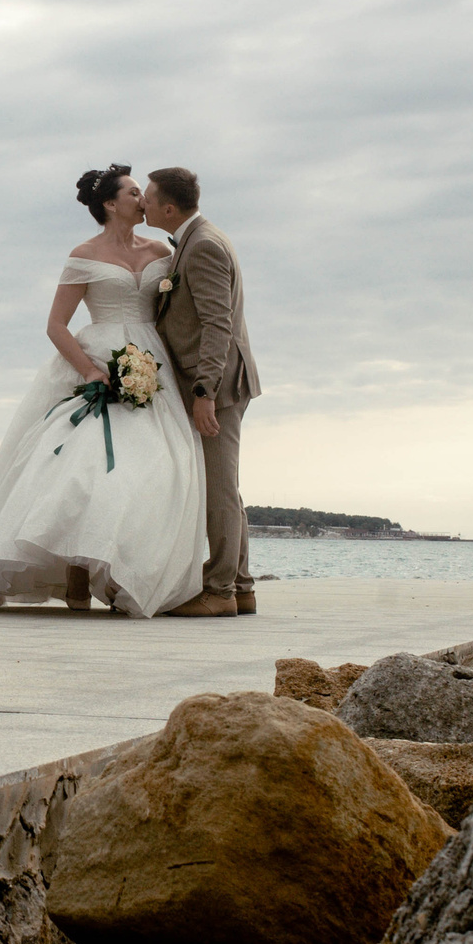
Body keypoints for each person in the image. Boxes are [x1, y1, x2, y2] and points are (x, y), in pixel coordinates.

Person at [0, 165, 207, 618]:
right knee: (82, 467)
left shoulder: (162, 250)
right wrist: (90, 370)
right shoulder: (84, 255)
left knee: (155, 470)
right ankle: (75, 567)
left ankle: (124, 574)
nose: (143, 199)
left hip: (153, 363)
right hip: (96, 361)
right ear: (110, 204)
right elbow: (56, 325)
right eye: (134, 193)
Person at [144, 166, 261, 616]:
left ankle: (219, 592)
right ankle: (242, 587)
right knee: (224, 486)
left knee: (219, 490)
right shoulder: (195, 239)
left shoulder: (204, 245)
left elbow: (217, 325)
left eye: (149, 198)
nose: (143, 204)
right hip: (215, 382)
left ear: (169, 208)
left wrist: (204, 392)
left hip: (218, 385)